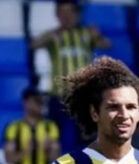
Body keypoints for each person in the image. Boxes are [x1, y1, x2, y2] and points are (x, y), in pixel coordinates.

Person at [30, 0, 111, 153]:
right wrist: (50, 36)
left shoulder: (86, 34)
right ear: (57, 15)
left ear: (77, 14)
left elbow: (107, 44)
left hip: (84, 96)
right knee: (54, 138)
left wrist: (97, 36)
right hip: (59, 96)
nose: (66, 17)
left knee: (87, 139)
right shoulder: (53, 36)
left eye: (70, 12)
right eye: (62, 13)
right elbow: (33, 45)